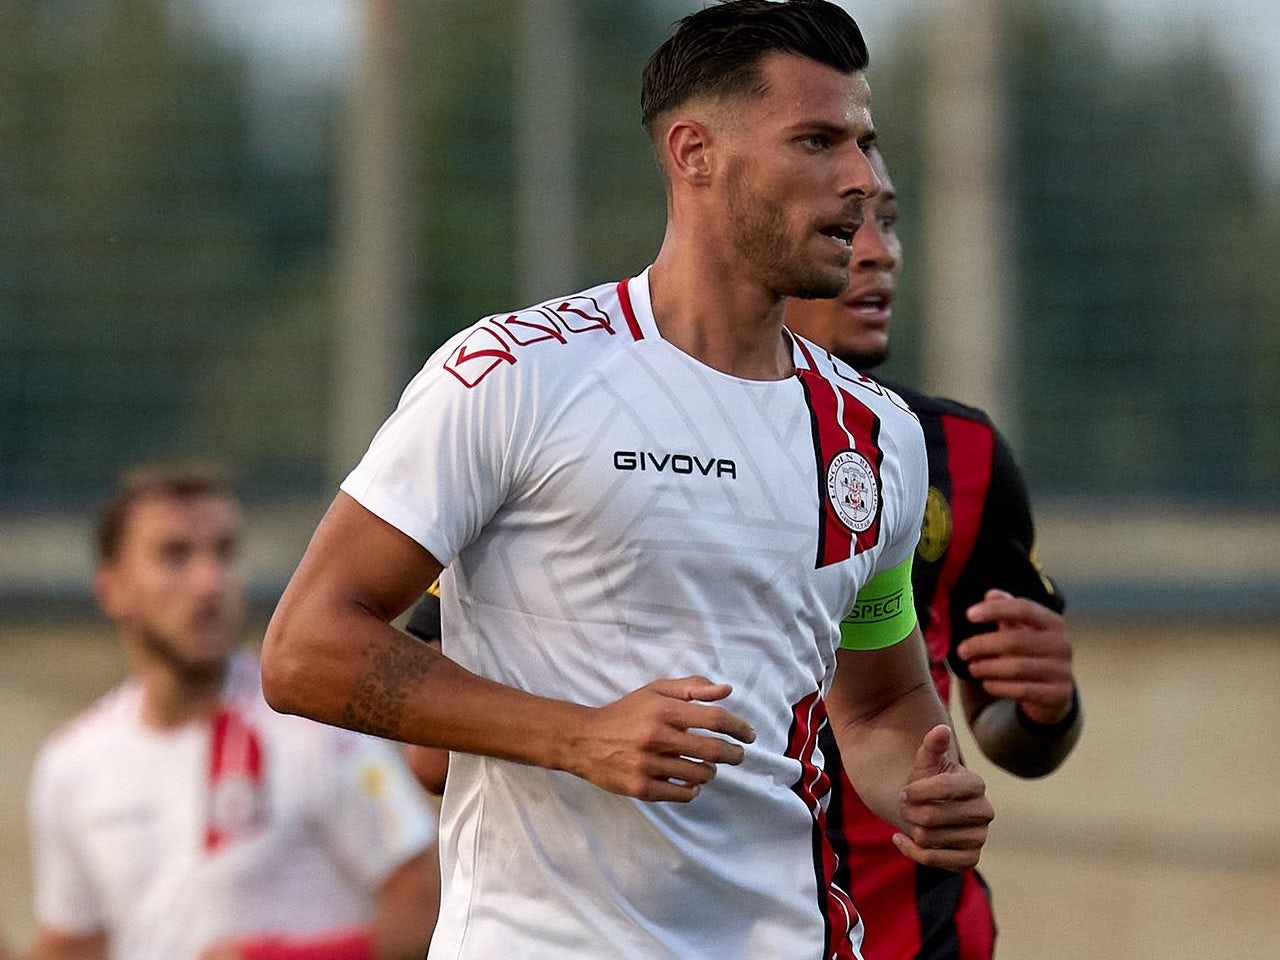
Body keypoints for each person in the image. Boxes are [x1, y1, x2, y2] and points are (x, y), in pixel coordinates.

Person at [261, 3, 994, 958]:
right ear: (694, 153)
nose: (861, 180)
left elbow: (879, 703)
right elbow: (304, 649)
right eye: (818, 142)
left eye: (864, 143)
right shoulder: (515, 375)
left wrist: (920, 784)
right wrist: (576, 736)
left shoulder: (879, 437)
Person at [784, 145, 1082, 960]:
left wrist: (1046, 702)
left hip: (925, 938)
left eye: (890, 220)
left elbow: (1008, 732)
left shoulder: (957, 452)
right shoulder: (623, 442)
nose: (878, 250)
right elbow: (429, 760)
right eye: (849, 222)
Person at [22, 465, 440, 960]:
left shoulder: (316, 726)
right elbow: (76, 943)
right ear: (111, 589)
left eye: (223, 552)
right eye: (175, 556)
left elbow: (426, 907)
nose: (210, 581)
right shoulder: (72, 764)